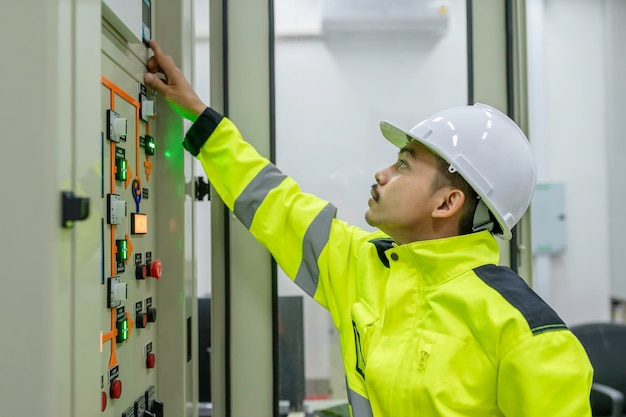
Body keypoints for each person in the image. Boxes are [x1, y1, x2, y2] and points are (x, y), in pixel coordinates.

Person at [143, 39, 593, 416]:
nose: (382, 174)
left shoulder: (530, 335)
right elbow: (277, 204)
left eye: (402, 165)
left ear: (447, 201)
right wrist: (200, 118)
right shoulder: (365, 264)